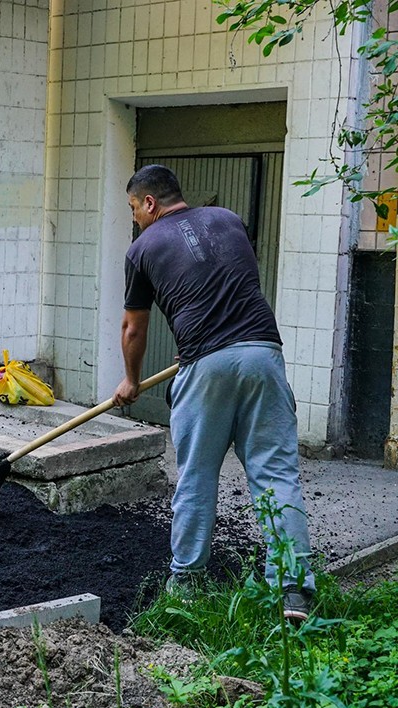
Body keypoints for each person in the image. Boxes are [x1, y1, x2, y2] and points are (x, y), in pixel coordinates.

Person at [113, 164, 315, 622]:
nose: (134, 219)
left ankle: (186, 585)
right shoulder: (228, 220)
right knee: (276, 474)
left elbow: (133, 328)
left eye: (133, 209)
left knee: (196, 478)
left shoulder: (142, 248)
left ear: (150, 203)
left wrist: (130, 379)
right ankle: (293, 591)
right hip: (263, 353)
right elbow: (226, 280)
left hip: (205, 364)